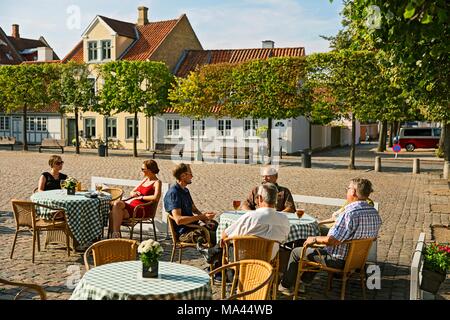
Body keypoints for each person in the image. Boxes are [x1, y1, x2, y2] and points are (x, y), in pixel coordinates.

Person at [278, 178, 382, 296]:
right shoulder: (374, 213)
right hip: (358, 260)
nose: (346, 191)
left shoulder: (349, 213)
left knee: (297, 252)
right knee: (318, 251)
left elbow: (332, 240)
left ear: (353, 192)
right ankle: (303, 282)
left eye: (348, 189)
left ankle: (285, 286)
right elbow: (370, 238)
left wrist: (315, 238)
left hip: (339, 261)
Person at [197, 182, 290, 268]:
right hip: (268, 260)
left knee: (225, 243)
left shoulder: (251, 216)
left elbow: (225, 235)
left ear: (260, 198)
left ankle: (213, 259)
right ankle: (211, 255)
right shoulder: (284, 219)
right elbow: (284, 240)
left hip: (243, 259)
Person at [164, 163, 218, 246]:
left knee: (215, 225)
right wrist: (202, 217)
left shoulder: (185, 190)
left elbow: (194, 209)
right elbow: (178, 220)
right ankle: (215, 257)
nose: (192, 176)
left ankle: (216, 255)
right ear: (183, 176)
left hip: (192, 227)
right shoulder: (174, 193)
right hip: (184, 233)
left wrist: (206, 220)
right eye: (190, 174)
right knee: (215, 236)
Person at [110, 160, 162, 238]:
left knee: (116, 205)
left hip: (141, 209)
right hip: (132, 206)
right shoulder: (145, 179)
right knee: (113, 211)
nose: (141, 171)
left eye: (143, 169)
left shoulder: (157, 182)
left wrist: (141, 197)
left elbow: (156, 197)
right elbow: (132, 191)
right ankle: (116, 236)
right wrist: (133, 193)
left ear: (150, 170)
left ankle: (115, 235)